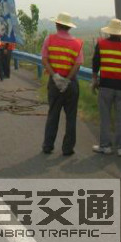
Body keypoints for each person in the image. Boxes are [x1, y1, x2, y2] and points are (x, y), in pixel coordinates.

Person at [41, 12, 83, 156]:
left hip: (54, 83)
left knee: (53, 114)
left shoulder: (49, 39)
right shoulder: (77, 43)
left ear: (57, 24)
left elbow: (45, 60)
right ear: (69, 27)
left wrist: (55, 77)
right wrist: (67, 80)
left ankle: (48, 146)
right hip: (71, 84)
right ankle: (67, 148)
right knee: (71, 116)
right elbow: (77, 64)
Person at [91, 18, 121, 156]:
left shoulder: (101, 44)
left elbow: (95, 63)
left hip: (106, 85)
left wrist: (94, 80)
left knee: (105, 116)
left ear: (109, 32)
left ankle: (105, 146)